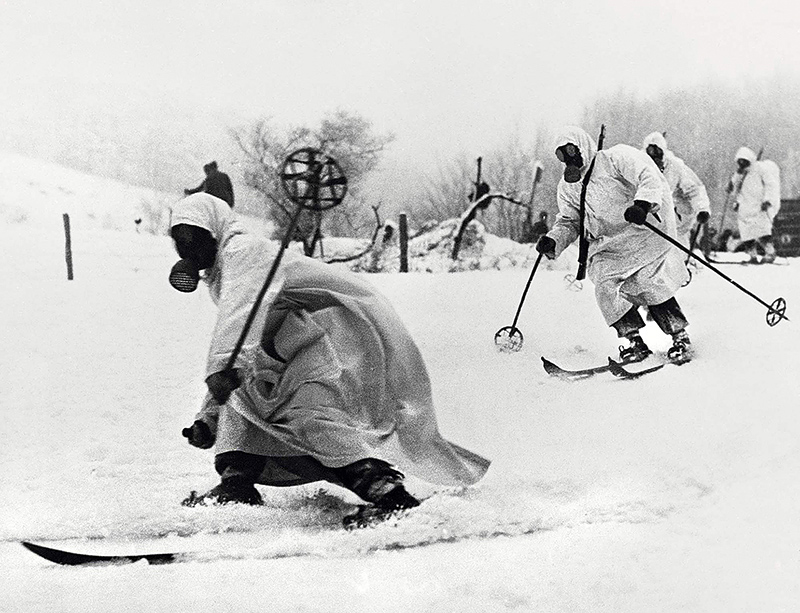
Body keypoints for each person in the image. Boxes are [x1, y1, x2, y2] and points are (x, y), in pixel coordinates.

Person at [169, 193, 490, 527]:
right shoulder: (223, 271)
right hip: (292, 343)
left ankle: (391, 496)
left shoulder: (243, 251)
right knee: (243, 400)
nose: (188, 250)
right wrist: (208, 416)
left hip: (337, 328)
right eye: (180, 241)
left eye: (194, 238)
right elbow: (240, 344)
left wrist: (222, 368)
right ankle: (236, 483)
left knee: (312, 416)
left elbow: (240, 317)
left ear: (215, 230)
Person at [535, 126, 692, 364]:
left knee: (648, 283)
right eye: (562, 155)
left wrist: (643, 203)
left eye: (571, 150)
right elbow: (569, 220)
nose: (570, 158)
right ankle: (634, 341)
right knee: (606, 288)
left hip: (640, 235)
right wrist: (554, 239)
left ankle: (679, 336)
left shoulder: (615, 158)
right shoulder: (567, 187)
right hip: (608, 246)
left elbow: (647, 175)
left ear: (582, 145)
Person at [642, 132, 710, 248]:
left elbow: (694, 189)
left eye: (658, 153)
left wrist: (702, 209)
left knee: (675, 250)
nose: (655, 158)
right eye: (651, 154)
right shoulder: (641, 165)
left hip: (675, 220)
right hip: (649, 220)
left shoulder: (675, 167)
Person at [727, 147, 781, 263]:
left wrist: (767, 200)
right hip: (745, 208)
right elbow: (735, 190)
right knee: (746, 233)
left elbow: (770, 184)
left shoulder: (760, 168)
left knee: (763, 232)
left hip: (759, 206)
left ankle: (770, 253)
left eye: (744, 161)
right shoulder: (739, 173)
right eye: (740, 161)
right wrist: (735, 198)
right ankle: (752, 256)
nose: (742, 163)